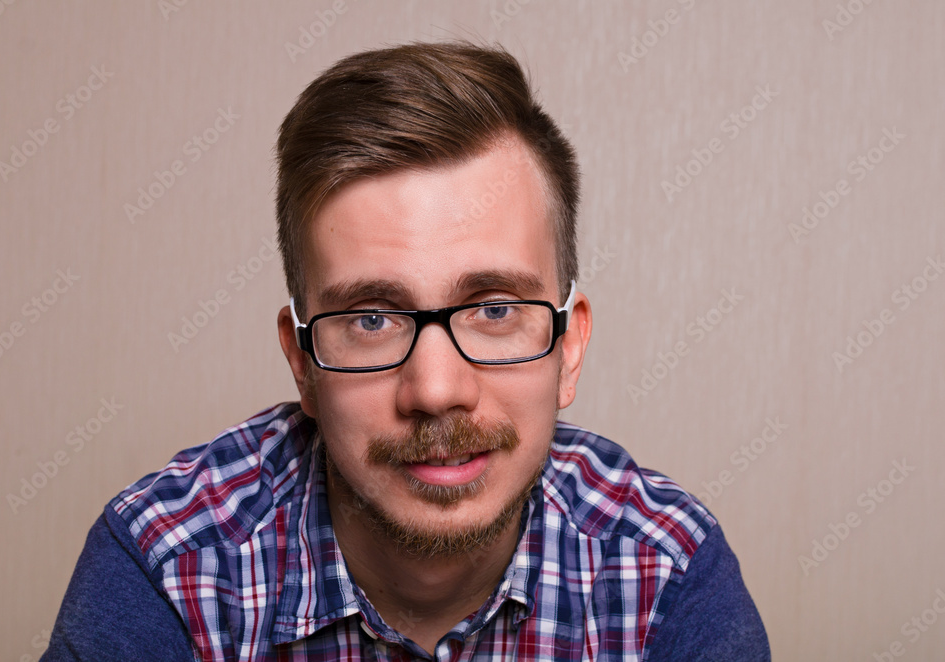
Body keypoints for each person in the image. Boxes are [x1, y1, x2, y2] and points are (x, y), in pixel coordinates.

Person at [43, 41, 769, 661]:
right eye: (371, 320)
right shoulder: (164, 569)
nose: (434, 389)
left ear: (569, 347)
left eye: (493, 309)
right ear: (301, 360)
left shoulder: (668, 574)